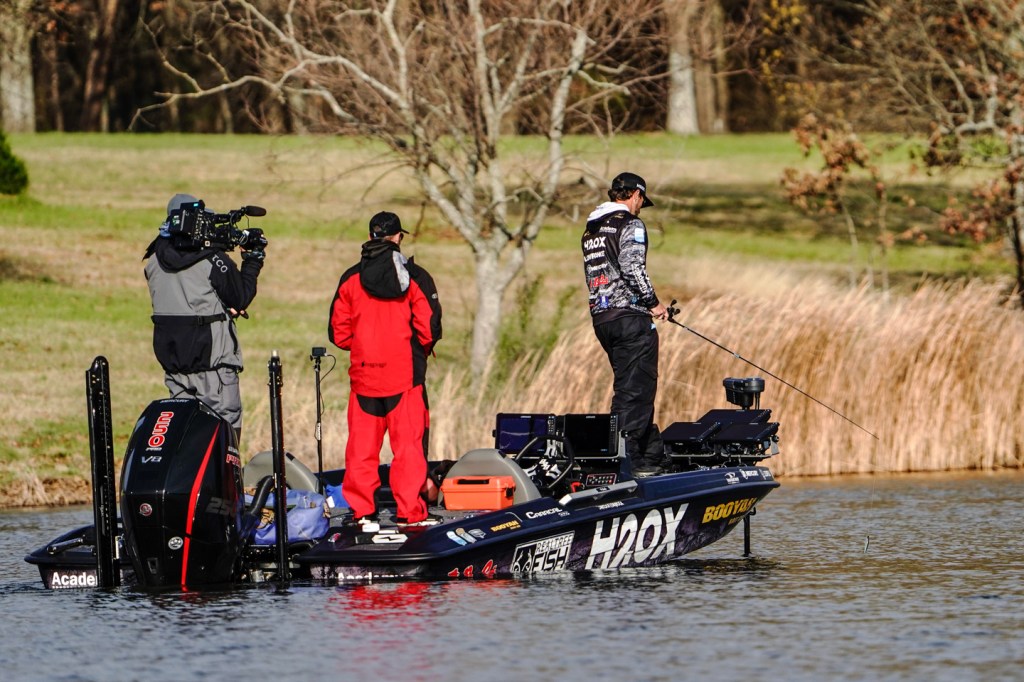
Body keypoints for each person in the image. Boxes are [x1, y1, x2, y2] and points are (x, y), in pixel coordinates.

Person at [328, 211, 443, 528]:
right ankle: (410, 513)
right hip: (404, 375)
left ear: (370, 237)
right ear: (398, 237)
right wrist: (415, 350)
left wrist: (366, 347)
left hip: (364, 376)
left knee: (361, 450)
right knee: (408, 449)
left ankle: (362, 512)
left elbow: (338, 333)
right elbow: (429, 327)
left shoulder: (350, 278)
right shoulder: (415, 276)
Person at [143, 193, 266, 444]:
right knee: (224, 436)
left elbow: (185, 297)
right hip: (214, 366)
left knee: (183, 438)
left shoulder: (154, 261)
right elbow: (240, 297)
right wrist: (253, 260)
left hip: (176, 367)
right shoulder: (212, 260)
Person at [580, 172, 669, 477]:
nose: (641, 207)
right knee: (636, 391)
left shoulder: (591, 229)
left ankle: (650, 456)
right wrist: (654, 304)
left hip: (603, 320)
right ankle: (626, 462)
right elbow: (633, 268)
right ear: (636, 195)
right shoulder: (630, 224)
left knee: (630, 387)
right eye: (642, 201)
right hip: (630, 319)